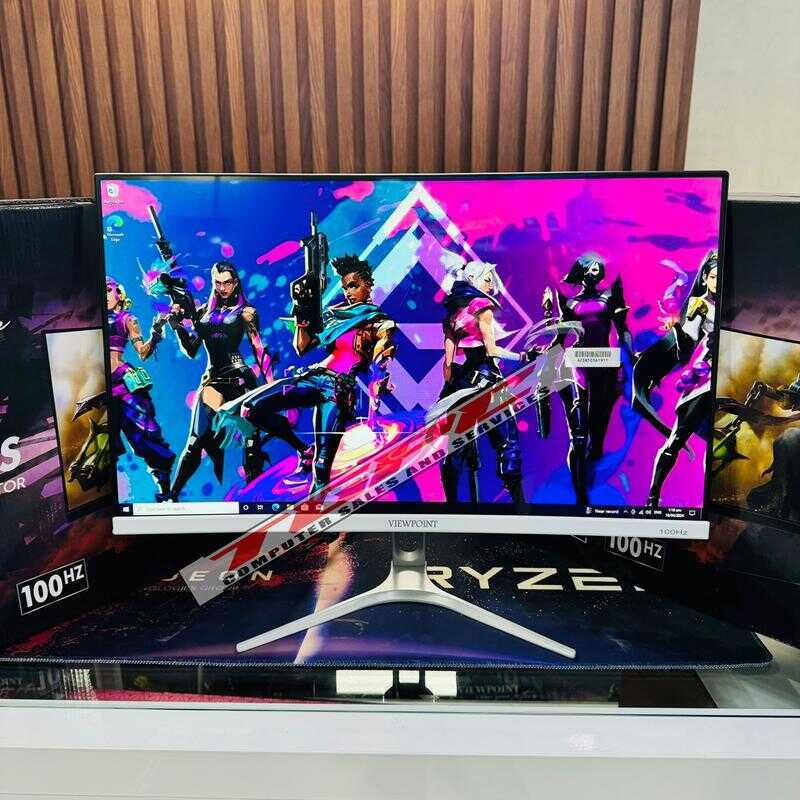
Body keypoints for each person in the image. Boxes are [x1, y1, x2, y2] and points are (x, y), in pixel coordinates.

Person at [214, 254, 397, 495]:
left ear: (368, 285)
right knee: (251, 409)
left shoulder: (377, 321)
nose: (348, 292)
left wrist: (378, 391)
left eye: (354, 286)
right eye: (345, 287)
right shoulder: (336, 316)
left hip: (337, 390)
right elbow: (302, 347)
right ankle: (303, 449)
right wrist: (301, 309)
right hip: (312, 377)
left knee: (322, 466)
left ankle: (320, 515)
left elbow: (381, 355)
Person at [167, 261, 307, 499]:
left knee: (251, 443)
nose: (222, 288)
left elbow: (258, 348)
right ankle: (171, 497)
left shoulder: (246, 312)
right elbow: (191, 350)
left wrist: (272, 386)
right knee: (195, 441)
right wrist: (178, 327)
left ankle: (257, 499)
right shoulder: (203, 313)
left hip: (240, 379)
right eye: (218, 283)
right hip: (213, 381)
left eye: (227, 282)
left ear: (235, 283)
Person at [538, 253, 636, 504]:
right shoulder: (570, 303)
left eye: (596, 268)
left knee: (598, 433)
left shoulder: (610, 296)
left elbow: (623, 330)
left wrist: (630, 358)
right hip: (579, 362)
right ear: (580, 271)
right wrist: (548, 319)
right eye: (588, 268)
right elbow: (560, 339)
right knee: (579, 434)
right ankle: (580, 495)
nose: (593, 272)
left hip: (605, 362)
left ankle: (588, 483)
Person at [437, 260, 531, 504]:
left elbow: (448, 363)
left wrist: (451, 388)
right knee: (508, 444)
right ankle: (521, 509)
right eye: (487, 279)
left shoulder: (453, 314)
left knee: (458, 447)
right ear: (473, 280)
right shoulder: (481, 306)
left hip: (461, 382)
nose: (491, 284)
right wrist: (523, 356)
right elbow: (491, 350)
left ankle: (451, 507)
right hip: (486, 379)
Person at [636, 251, 718, 506]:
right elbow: (688, 343)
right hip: (705, 379)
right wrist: (676, 331)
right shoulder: (700, 304)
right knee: (677, 439)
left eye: (722, 276)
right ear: (705, 278)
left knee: (718, 445)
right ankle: (653, 498)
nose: (718, 281)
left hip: (731, 377)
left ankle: (710, 502)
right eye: (714, 276)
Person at [106, 277, 175, 500]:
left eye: (108, 290)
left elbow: (143, 353)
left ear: (119, 294)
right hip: (96, 384)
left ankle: (164, 488)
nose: (104, 295)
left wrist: (156, 333)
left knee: (145, 434)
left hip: (122, 383)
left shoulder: (128, 319)